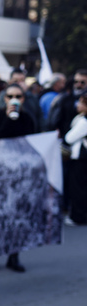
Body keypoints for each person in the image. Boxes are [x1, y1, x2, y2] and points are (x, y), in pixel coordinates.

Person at [0, 83, 38, 273]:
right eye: (10, 96)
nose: (14, 100)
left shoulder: (28, 118)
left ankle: (14, 256)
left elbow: (33, 142)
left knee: (17, 215)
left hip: (19, 173)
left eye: (19, 97)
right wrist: (7, 118)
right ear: (4, 98)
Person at [65, 94, 87, 226]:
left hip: (81, 158)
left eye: (81, 103)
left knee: (78, 188)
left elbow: (69, 138)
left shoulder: (84, 121)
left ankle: (78, 217)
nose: (78, 105)